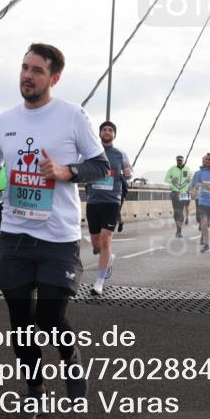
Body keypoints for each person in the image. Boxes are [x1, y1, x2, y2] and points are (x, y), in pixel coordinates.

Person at [0, 43, 109, 419]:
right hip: (16, 234)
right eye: (23, 67)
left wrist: (67, 172)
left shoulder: (72, 116)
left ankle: (71, 361)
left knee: (50, 318)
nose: (26, 75)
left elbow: (99, 165)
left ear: (53, 77)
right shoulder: (2, 122)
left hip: (58, 238)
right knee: (20, 323)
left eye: (36, 70)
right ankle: (34, 392)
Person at [85, 120, 131, 295]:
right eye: (104, 129)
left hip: (112, 201)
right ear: (100, 133)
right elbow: (82, 170)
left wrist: (128, 174)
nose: (107, 132)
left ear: (114, 134)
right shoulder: (91, 153)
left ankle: (99, 282)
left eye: (110, 130)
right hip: (93, 201)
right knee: (97, 245)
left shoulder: (120, 154)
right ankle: (108, 257)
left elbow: (129, 172)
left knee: (106, 239)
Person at [190, 153, 210, 253]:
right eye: (206, 159)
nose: (207, 161)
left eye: (209, 160)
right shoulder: (200, 173)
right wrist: (196, 189)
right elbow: (195, 185)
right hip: (203, 202)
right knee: (204, 223)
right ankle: (207, 244)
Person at [165, 155, 192, 238]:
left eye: (180, 160)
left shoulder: (188, 169)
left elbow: (191, 178)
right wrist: (171, 180)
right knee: (176, 211)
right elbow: (166, 179)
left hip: (184, 193)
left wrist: (189, 180)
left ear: (183, 161)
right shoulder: (172, 169)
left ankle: (179, 231)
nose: (179, 161)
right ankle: (178, 228)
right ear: (176, 161)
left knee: (180, 211)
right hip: (175, 192)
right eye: (178, 160)